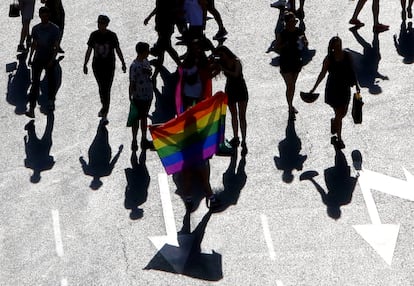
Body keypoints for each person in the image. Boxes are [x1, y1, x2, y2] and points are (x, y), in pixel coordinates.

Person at [177, 40, 221, 212]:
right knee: (200, 174)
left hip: (199, 98)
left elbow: (209, 74)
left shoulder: (201, 62)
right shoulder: (187, 63)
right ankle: (207, 197)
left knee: (195, 175)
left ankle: (194, 197)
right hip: (189, 98)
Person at [309, 36, 360, 149]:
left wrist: (356, 85)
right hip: (333, 88)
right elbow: (322, 74)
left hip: (345, 87)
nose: (338, 47)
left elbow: (352, 70)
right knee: (339, 113)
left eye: (339, 44)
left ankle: (334, 123)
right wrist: (314, 88)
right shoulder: (329, 59)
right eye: (336, 45)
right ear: (332, 46)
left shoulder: (347, 55)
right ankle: (339, 139)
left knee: (342, 113)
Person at [83, 15, 127, 123]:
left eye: (102, 23)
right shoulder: (94, 35)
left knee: (107, 89)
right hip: (97, 66)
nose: (100, 25)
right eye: (99, 23)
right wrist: (85, 63)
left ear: (107, 24)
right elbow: (89, 50)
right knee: (101, 88)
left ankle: (105, 112)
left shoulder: (112, 36)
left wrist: (123, 62)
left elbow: (117, 49)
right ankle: (104, 106)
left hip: (109, 66)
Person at [26, 6, 60, 118]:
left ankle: (51, 101)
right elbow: (34, 44)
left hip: (49, 57)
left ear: (48, 16)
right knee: (35, 83)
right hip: (38, 58)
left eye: (46, 16)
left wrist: (52, 60)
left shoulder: (54, 29)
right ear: (40, 16)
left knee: (51, 80)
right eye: (42, 16)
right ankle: (31, 108)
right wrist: (30, 57)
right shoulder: (36, 29)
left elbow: (56, 46)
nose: (44, 18)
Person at [214, 45, 248, 156]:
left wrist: (223, 68)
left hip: (240, 88)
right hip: (231, 89)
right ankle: (236, 137)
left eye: (222, 55)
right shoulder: (222, 63)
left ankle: (243, 139)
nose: (221, 57)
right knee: (233, 115)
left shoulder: (236, 61)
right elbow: (214, 74)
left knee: (242, 116)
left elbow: (236, 74)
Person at [275, 12, 307, 120]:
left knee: (292, 86)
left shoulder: (299, 31)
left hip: (296, 61)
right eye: (292, 21)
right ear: (287, 23)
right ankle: (290, 108)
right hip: (285, 62)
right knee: (290, 85)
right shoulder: (283, 33)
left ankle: (291, 105)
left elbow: (305, 42)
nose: (294, 23)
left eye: (295, 21)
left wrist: (304, 42)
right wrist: (285, 44)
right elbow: (277, 47)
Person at [144, 0, 181, 83]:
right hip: (163, 26)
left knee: (165, 49)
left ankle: (155, 74)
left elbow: (172, 10)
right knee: (165, 48)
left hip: (165, 26)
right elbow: (158, 8)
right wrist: (149, 17)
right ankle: (180, 66)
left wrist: (149, 17)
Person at [128, 42, 154, 151]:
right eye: (147, 50)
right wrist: (130, 96)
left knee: (143, 118)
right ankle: (134, 140)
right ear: (142, 52)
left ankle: (143, 139)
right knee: (136, 120)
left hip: (147, 95)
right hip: (138, 96)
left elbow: (149, 73)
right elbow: (132, 82)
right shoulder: (134, 66)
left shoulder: (146, 62)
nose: (149, 52)